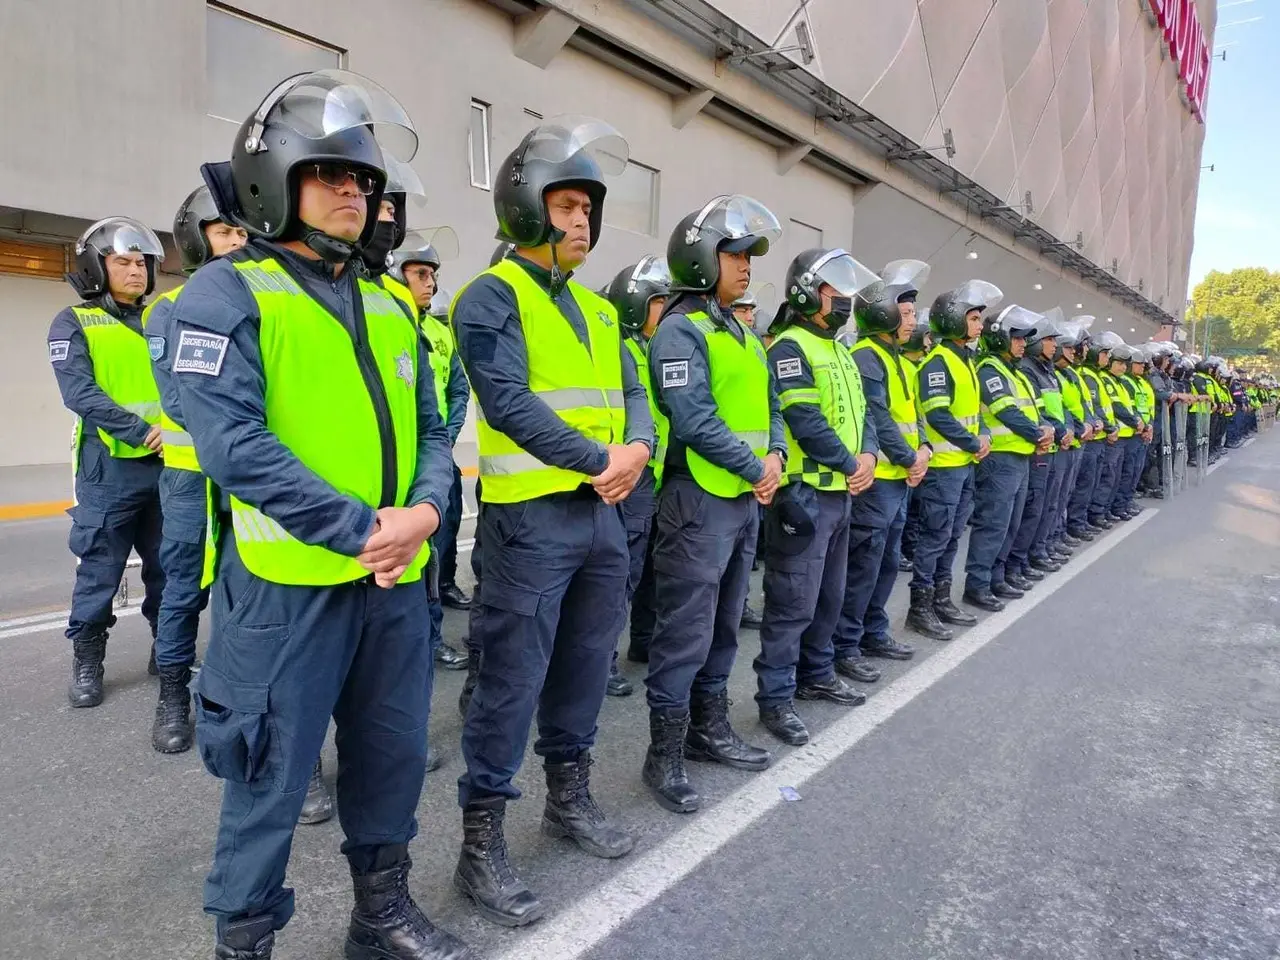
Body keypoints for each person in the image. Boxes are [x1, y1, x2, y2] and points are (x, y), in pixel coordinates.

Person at [172, 69, 470, 960]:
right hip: (287, 592)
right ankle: (246, 940)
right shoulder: (226, 295)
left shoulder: (388, 301)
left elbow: (430, 426)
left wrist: (422, 506)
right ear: (274, 180)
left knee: (390, 758)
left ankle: (379, 914)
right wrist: (362, 529)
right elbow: (232, 443)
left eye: (365, 179)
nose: (355, 192)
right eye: (333, 174)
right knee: (267, 776)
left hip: (394, 586)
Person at [450, 117, 651, 927]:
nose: (580, 222)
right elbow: (507, 401)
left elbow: (635, 392)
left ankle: (567, 797)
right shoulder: (489, 295)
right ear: (526, 207)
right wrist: (602, 461)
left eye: (587, 210)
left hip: (600, 517)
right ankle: (480, 845)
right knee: (509, 681)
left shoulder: (601, 312)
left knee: (584, 664)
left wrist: (635, 447)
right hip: (530, 520)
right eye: (565, 205)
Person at [642, 194, 786, 814]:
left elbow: (771, 405)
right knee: (685, 630)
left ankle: (708, 728)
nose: (747, 266)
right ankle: (664, 756)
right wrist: (757, 467)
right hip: (697, 499)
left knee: (726, 625)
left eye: (750, 256)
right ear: (702, 257)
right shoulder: (680, 330)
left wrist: (775, 454)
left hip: (741, 499)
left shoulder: (745, 336)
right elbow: (693, 417)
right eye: (735, 254)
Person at [753, 248, 879, 745]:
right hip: (804, 497)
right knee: (791, 603)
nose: (845, 301)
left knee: (829, 595)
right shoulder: (789, 348)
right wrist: (852, 465)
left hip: (842, 496)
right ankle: (776, 697)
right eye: (835, 291)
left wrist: (868, 455)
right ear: (808, 292)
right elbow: (803, 420)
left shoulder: (841, 350)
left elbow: (865, 413)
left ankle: (817, 673)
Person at [141, 186, 246, 754]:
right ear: (195, 237)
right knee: (183, 589)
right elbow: (182, 400)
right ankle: (174, 696)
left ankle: (234, 698)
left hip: (245, 477)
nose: (235, 242)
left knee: (246, 592)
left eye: (240, 232)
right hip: (189, 475)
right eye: (223, 231)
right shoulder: (168, 310)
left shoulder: (258, 301)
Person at [48, 217, 168, 710]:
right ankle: (87, 660)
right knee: (100, 570)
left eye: (141, 262)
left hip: (169, 467)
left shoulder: (163, 319)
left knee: (171, 568)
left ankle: (170, 652)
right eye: (123, 261)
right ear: (96, 266)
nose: (136, 270)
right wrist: (144, 432)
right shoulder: (73, 322)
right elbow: (80, 393)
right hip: (110, 469)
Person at [834, 259, 932, 681]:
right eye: (905, 312)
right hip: (878, 484)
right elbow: (878, 418)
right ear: (883, 313)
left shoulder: (897, 359)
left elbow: (913, 415)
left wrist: (923, 447)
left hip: (900, 480)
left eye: (912, 313)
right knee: (862, 567)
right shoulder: (868, 357)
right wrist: (911, 459)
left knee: (887, 562)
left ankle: (873, 630)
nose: (912, 320)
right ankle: (846, 644)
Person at [388, 229, 471, 670]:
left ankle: (433, 636)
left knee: (436, 553)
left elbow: (458, 388)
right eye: (421, 273)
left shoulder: (441, 334)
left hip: (437, 460)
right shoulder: (381, 321)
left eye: (433, 275)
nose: (431, 284)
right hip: (395, 464)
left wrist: (447, 434)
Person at [908, 281, 1000, 639]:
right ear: (952, 321)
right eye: (973, 318)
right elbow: (938, 415)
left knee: (950, 537)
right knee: (934, 537)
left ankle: (941, 600)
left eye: (979, 318)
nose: (979, 325)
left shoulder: (966, 361)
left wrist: (981, 438)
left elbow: (970, 413)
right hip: (943, 469)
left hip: (961, 466)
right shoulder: (939, 362)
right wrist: (972, 441)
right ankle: (921, 606)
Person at [604, 256, 673, 696]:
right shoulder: (621, 350)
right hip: (634, 478)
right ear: (634, 303)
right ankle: (603, 657)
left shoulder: (651, 349)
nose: (664, 311)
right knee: (621, 572)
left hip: (659, 476)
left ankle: (642, 640)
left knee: (651, 568)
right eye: (657, 302)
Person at [963, 305, 1050, 609]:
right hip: (999, 460)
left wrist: (1045, 429)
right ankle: (977, 584)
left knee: (1010, 523)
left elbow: (1033, 410)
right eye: (1017, 338)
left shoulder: (1014, 371)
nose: (1023, 344)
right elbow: (1005, 411)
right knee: (993, 524)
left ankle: (996, 576)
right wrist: (1038, 433)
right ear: (1000, 338)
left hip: (1019, 456)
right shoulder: (990, 369)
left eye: (1025, 339)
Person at [1007, 314, 1073, 579]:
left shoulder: (1048, 372)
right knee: (1032, 509)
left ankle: (1035, 552)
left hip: (1055, 445)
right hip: (1040, 448)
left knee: (1049, 504)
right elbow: (1035, 413)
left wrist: (1068, 429)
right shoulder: (1027, 370)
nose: (1054, 345)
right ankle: (1018, 562)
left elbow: (1061, 408)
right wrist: (1055, 432)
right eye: (1048, 340)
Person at [897, 321, 932, 573]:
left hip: (914, 453)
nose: (929, 343)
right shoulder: (909, 369)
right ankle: (905, 548)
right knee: (908, 511)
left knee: (911, 509)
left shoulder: (913, 368)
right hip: (900, 456)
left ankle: (906, 547)